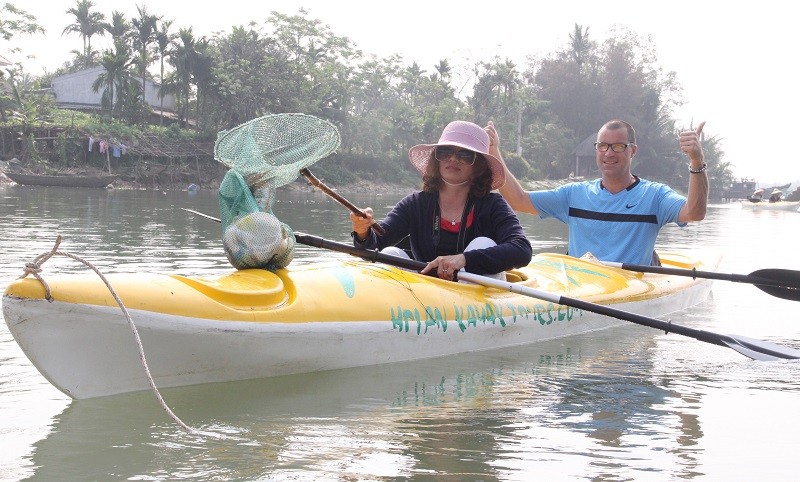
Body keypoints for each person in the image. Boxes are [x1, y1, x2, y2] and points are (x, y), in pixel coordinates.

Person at [488, 119, 708, 266]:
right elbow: (518, 200)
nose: (609, 153)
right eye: (603, 146)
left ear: (632, 151)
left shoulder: (656, 196)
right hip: (581, 285)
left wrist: (696, 161)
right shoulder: (574, 195)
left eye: (618, 147)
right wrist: (494, 151)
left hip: (631, 288)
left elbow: (694, 213)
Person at [350, 120, 532, 281]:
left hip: (475, 293)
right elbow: (375, 243)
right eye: (445, 151)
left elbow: (521, 250)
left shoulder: (493, 206)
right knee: (389, 254)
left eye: (465, 154)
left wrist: (464, 259)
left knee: (483, 243)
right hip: (428, 290)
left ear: (479, 167)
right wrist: (362, 232)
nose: (453, 158)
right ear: (436, 159)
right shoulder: (415, 204)